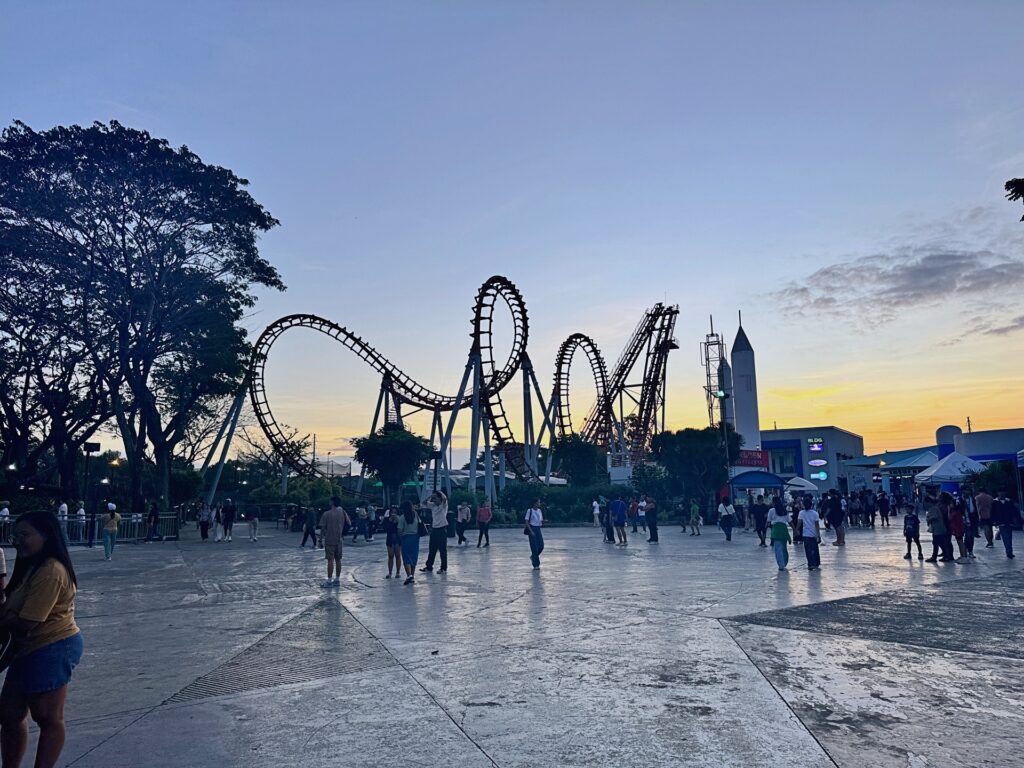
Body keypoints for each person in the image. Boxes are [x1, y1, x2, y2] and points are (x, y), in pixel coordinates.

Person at [0, 511, 83, 768]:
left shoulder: (51, 571)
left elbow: (28, 621)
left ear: (46, 535)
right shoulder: (32, 565)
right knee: (9, 714)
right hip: (26, 648)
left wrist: (8, 617)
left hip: (52, 647)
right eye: (15, 535)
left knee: (47, 717)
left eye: (24, 534)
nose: (17, 541)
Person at [318, 498, 350, 588]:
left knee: (330, 560)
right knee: (338, 560)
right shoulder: (342, 512)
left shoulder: (326, 514)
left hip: (329, 539)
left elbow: (322, 528)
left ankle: (329, 580)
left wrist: (320, 540)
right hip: (339, 539)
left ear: (332, 502)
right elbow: (349, 522)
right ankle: (337, 579)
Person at [421, 491, 449, 574]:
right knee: (432, 549)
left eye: (436, 498)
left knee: (442, 550)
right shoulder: (433, 505)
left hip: (442, 529)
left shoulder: (443, 505)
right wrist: (431, 496)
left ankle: (443, 568)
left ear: (440, 498)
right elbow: (423, 503)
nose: (434, 500)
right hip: (434, 529)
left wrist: (439, 492)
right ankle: (429, 566)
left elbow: (445, 498)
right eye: (434, 498)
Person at [398, 502, 421, 585]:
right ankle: (412, 576)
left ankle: (409, 575)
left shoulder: (402, 517)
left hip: (406, 538)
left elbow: (399, 530)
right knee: (413, 557)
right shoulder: (415, 515)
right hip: (415, 538)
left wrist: (401, 538)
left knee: (406, 557)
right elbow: (420, 523)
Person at [798, 498, 821, 570]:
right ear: (811, 505)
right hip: (814, 534)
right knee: (815, 549)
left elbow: (799, 523)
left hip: (806, 534)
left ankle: (810, 564)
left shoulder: (801, 513)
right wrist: (818, 535)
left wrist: (796, 530)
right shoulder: (815, 513)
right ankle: (816, 563)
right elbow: (817, 525)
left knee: (808, 550)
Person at [992, 490, 1017, 559]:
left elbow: (1014, 511)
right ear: (998, 493)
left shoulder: (1009, 501)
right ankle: (1009, 552)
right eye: (1000, 492)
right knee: (1006, 537)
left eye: (1003, 492)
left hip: (1009, 522)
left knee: (1009, 537)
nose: (1002, 493)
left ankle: (1009, 551)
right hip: (1001, 522)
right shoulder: (995, 502)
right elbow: (993, 512)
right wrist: (994, 521)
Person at [768, 499, 791, 570]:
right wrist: (795, 530)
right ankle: (785, 562)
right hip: (784, 530)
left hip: (776, 530)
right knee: (784, 547)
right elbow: (790, 521)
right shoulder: (784, 510)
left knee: (778, 548)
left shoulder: (771, 510)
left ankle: (781, 565)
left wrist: (765, 527)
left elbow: (768, 521)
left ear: (774, 503)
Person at [383, 507, 403, 578]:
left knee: (398, 555)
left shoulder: (400, 519)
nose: (393, 514)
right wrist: (389, 521)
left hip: (398, 538)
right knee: (390, 555)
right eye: (392, 512)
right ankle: (390, 572)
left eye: (395, 512)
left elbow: (401, 529)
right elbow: (385, 528)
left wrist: (397, 521)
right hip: (390, 538)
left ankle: (398, 572)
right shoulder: (387, 519)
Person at [525, 500, 544, 569]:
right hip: (532, 528)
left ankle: (533, 556)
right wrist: (531, 531)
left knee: (541, 546)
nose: (539, 503)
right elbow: (526, 521)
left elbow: (540, 520)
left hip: (538, 529)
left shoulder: (539, 511)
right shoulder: (529, 511)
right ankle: (536, 565)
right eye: (538, 502)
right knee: (534, 547)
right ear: (535, 503)